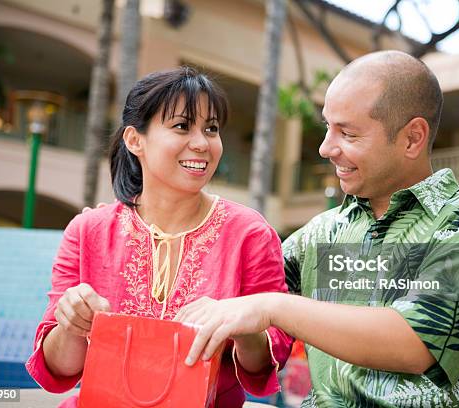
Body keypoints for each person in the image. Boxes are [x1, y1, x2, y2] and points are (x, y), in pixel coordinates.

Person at [175, 51, 459, 407]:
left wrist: (272, 306)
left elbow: (415, 344)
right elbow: (233, 301)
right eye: (328, 127)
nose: (325, 148)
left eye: (348, 133)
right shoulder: (321, 232)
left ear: (413, 138)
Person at [26, 67, 293, 408]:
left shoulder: (250, 234)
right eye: (182, 126)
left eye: (211, 129)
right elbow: (58, 370)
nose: (202, 143)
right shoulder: (87, 231)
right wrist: (70, 323)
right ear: (135, 140)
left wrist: (239, 321)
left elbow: (265, 366)